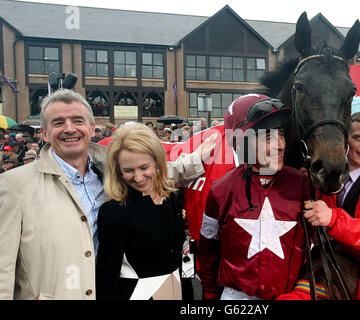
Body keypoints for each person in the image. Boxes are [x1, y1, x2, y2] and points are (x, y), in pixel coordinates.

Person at [0, 89, 214, 300]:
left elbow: (155, 169)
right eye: (58, 123)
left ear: (92, 128)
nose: (69, 129)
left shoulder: (111, 166)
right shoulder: (14, 185)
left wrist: (196, 160)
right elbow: (3, 267)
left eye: (78, 121)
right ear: (44, 132)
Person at [197, 94, 310, 300]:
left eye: (282, 135)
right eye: (269, 138)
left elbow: (317, 246)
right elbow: (207, 249)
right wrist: (210, 292)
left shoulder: (303, 185)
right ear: (243, 144)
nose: (280, 145)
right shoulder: (221, 190)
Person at [287, 111, 360, 300]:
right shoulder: (318, 176)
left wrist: (334, 219)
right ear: (344, 139)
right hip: (318, 275)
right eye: (359, 137)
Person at [96, 124, 186, 300]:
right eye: (128, 171)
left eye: (144, 167)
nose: (138, 177)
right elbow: (107, 274)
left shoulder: (173, 198)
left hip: (175, 289)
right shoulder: (114, 211)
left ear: (157, 162)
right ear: (119, 172)